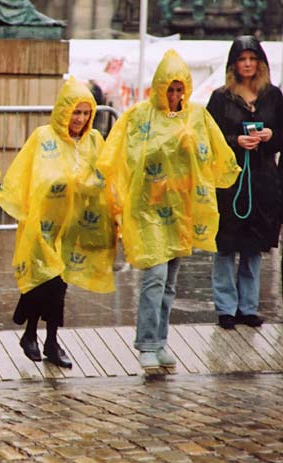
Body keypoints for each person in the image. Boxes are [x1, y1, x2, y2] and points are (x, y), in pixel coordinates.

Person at [96, 50, 240, 371]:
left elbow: (213, 154)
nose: (174, 96)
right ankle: (146, 343)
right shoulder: (138, 116)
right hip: (148, 209)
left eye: (179, 90)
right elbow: (129, 157)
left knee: (170, 282)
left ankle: (160, 342)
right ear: (159, 88)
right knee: (154, 277)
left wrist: (194, 151)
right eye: (169, 89)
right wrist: (170, 145)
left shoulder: (197, 117)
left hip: (180, 209)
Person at [0, 77, 117, 368]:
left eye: (86, 113)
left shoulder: (93, 141)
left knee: (59, 283)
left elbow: (103, 176)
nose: (80, 119)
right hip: (44, 223)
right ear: (64, 111)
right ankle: (37, 336)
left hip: (75, 224)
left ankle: (44, 337)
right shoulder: (43, 137)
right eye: (76, 112)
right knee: (46, 279)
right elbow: (27, 175)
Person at [206, 36, 283, 330]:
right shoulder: (220, 97)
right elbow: (209, 138)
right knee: (225, 245)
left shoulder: (273, 96)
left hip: (262, 179)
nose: (248, 64)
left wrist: (270, 136)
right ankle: (226, 308)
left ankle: (248, 307)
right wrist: (235, 141)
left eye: (252, 59)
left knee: (253, 246)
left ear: (260, 62)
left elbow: (282, 136)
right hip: (230, 180)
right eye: (242, 59)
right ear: (234, 64)